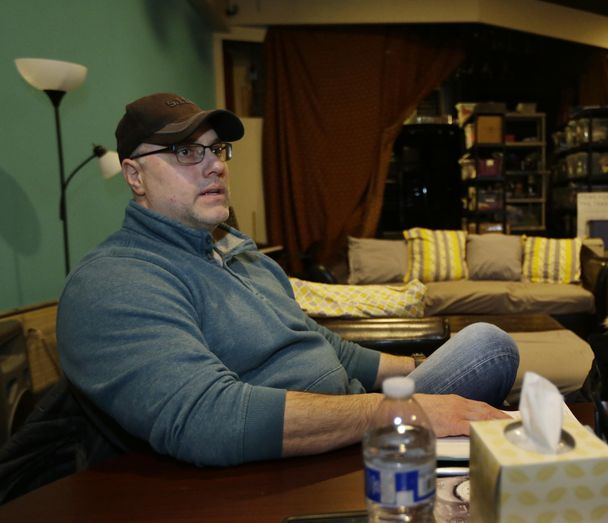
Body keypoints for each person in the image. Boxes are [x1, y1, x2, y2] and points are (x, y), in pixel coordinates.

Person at [56, 93, 519, 466]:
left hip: (355, 416)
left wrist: (412, 372)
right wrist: (402, 412)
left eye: (216, 149)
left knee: (487, 346)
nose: (215, 165)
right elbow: (206, 419)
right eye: (185, 152)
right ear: (134, 175)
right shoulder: (116, 280)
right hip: (299, 460)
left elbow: (320, 342)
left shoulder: (237, 251)